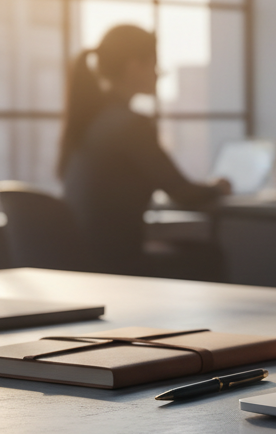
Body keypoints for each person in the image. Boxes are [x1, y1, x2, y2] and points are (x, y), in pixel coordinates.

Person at [59, 25, 230, 277]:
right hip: (114, 264)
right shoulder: (130, 125)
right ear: (133, 66)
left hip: (81, 260)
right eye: (154, 64)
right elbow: (182, 193)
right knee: (209, 256)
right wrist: (219, 187)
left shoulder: (88, 122)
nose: (159, 74)